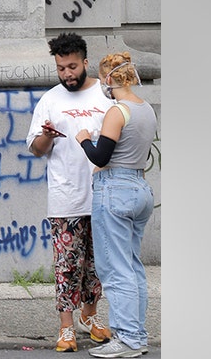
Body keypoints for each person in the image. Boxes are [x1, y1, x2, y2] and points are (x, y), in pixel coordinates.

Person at [27, 32, 115, 352]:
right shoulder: (50, 99)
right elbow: (36, 149)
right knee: (67, 265)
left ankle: (89, 317)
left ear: (85, 63)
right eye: (61, 68)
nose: (67, 74)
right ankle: (66, 326)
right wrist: (47, 137)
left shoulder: (107, 96)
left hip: (104, 194)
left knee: (97, 265)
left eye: (72, 67)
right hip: (65, 196)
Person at [74, 53, 158, 358]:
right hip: (139, 187)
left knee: (115, 270)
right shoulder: (145, 109)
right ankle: (138, 335)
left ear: (109, 79)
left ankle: (127, 340)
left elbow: (101, 157)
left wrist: (84, 139)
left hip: (115, 191)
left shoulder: (117, 111)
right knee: (133, 267)